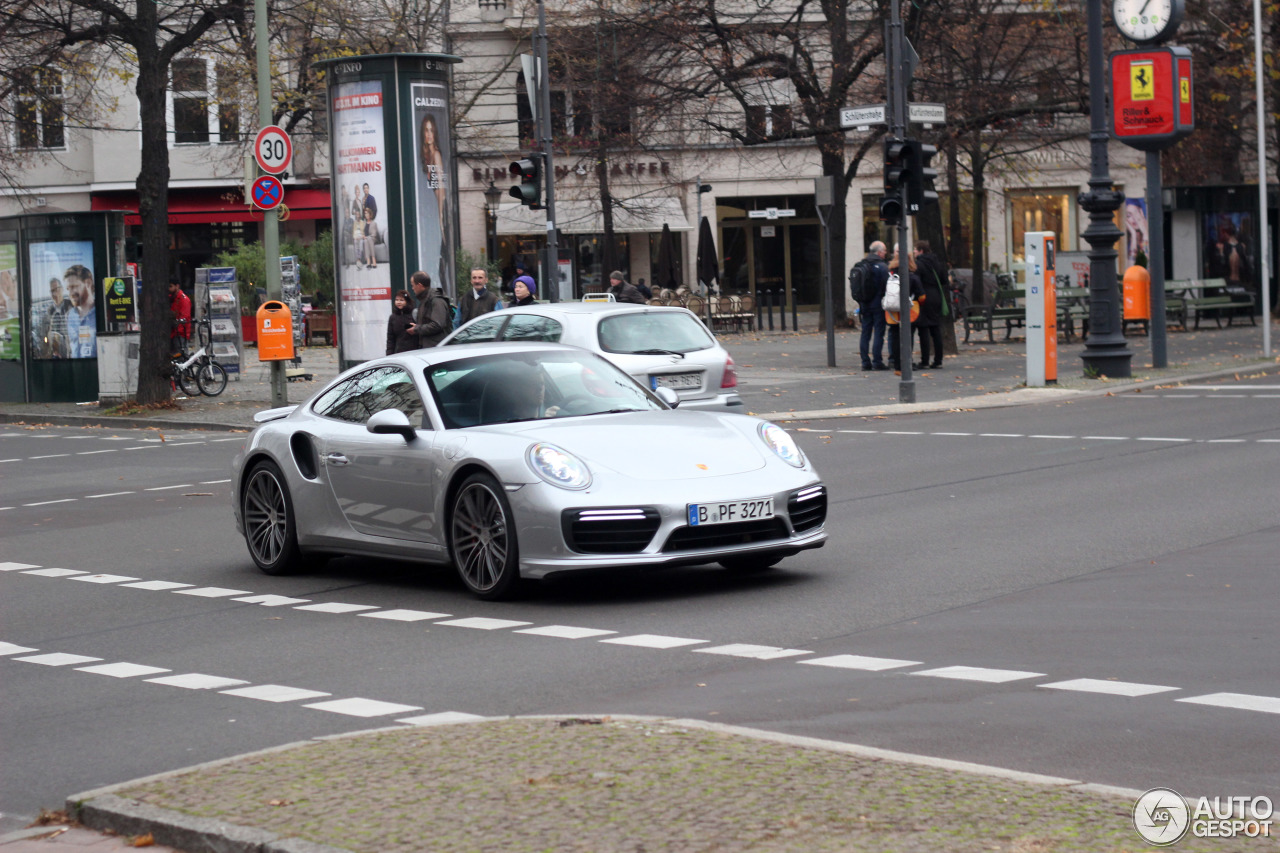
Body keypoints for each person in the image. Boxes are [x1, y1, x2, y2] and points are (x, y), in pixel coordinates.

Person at [419, 113, 449, 287]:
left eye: (431, 130)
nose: (429, 134)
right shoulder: (423, 154)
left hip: (433, 209)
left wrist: (440, 218)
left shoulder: (436, 154)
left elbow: (440, 189)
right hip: (425, 208)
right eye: (426, 130)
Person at [885, 250, 924, 374]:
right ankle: (907, 362)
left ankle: (897, 366)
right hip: (909, 311)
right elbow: (921, 296)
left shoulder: (890, 275)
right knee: (908, 336)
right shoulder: (912, 276)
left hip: (892, 311)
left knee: (895, 336)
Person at [912, 241, 947, 369]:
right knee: (935, 329)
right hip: (936, 296)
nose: (914, 252)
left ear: (921, 251)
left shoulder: (919, 264)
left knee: (923, 329)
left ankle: (925, 360)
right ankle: (938, 360)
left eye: (915, 250)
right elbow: (944, 280)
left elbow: (916, 281)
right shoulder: (937, 262)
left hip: (924, 297)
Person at [857, 241, 890, 371]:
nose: (886, 253)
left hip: (864, 303)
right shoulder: (882, 267)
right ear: (879, 252)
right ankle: (877, 361)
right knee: (878, 333)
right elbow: (887, 286)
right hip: (878, 304)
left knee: (865, 332)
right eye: (885, 251)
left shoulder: (860, 265)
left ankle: (865, 362)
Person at [407, 271, 450, 348]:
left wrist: (417, 329)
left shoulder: (436, 300)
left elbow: (437, 325)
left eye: (413, 285)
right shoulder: (424, 300)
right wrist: (417, 327)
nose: (412, 288)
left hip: (436, 349)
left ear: (419, 285)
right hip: (428, 347)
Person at [62, 264, 96, 359]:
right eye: (68, 289)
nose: (70, 293)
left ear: (88, 283)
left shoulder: (101, 313)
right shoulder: (70, 315)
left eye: (74, 286)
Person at [39, 277, 72, 358]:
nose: (55, 293)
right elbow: (44, 337)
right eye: (52, 291)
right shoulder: (48, 313)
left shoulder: (72, 307)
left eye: (56, 289)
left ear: (62, 289)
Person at [386, 290, 417, 354]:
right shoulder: (393, 317)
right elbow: (390, 339)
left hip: (414, 351)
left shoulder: (414, 314)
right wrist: (389, 354)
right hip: (399, 352)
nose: (398, 302)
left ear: (407, 301)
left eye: (401, 300)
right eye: (397, 300)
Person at [168, 279, 192, 356]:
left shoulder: (183, 300)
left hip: (180, 335)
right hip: (172, 333)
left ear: (177, 286)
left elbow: (184, 319)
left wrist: (177, 332)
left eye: (171, 286)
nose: (169, 289)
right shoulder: (172, 298)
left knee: (182, 358)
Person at [1124, 199, 1147, 267]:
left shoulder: (1148, 237)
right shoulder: (1126, 241)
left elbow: (1147, 264)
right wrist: (1133, 236)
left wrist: (1145, 233)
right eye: (1129, 215)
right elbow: (1130, 268)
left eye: (1136, 214)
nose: (1134, 219)